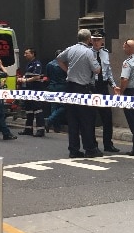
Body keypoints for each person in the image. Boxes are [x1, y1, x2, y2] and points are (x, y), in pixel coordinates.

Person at [58, 29, 104, 158]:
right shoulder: (89, 52)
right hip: (83, 88)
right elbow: (97, 70)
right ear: (89, 39)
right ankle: (90, 148)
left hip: (70, 87)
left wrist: (68, 71)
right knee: (86, 120)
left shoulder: (71, 49)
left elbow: (59, 59)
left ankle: (74, 149)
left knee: (73, 120)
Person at [89, 29, 119, 152]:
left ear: (102, 41)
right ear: (91, 40)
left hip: (103, 86)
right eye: (94, 40)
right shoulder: (87, 53)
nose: (96, 42)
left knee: (107, 117)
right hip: (91, 86)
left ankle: (108, 144)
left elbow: (108, 71)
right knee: (91, 117)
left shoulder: (105, 53)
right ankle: (93, 144)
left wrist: (113, 85)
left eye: (98, 40)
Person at [17, 48, 46, 137]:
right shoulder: (29, 64)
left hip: (35, 90)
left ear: (33, 54)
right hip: (28, 91)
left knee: (37, 110)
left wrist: (25, 80)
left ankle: (40, 130)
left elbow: (37, 76)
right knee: (29, 109)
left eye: (26, 53)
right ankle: (28, 129)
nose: (24, 55)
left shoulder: (37, 64)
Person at [44, 49, 67, 133]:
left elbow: (47, 76)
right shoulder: (63, 65)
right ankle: (50, 121)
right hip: (62, 86)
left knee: (54, 106)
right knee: (64, 106)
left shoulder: (49, 64)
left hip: (52, 86)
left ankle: (56, 126)